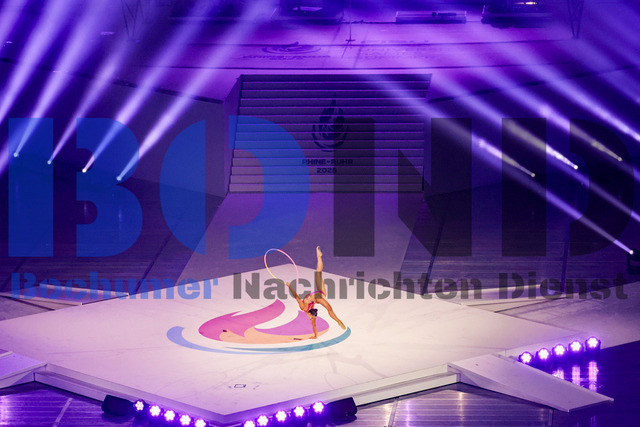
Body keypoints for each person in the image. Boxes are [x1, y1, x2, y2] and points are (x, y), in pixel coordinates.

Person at [286, 246, 346, 339]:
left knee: (318, 273)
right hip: (318, 296)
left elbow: (297, 297)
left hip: (319, 295)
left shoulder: (303, 307)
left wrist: (290, 286)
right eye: (313, 318)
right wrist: (315, 336)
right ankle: (338, 320)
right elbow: (314, 325)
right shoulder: (309, 310)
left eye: (312, 318)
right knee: (329, 309)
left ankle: (319, 256)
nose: (311, 319)